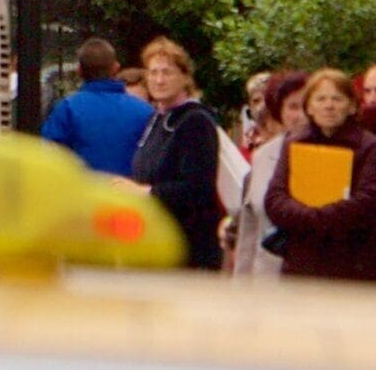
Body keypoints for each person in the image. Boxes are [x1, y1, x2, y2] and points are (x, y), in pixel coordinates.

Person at [260, 67, 376, 283]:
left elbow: (368, 203)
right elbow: (275, 199)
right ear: (310, 107)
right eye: (321, 99)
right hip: (301, 267)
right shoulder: (293, 144)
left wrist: (316, 217)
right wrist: (306, 215)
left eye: (337, 99)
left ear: (352, 106)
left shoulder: (371, 146)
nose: (329, 106)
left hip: (353, 267)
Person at [130, 37, 228, 271]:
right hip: (157, 240)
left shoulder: (195, 121)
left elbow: (199, 188)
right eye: (153, 73)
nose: (159, 80)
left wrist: (146, 192)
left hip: (188, 248)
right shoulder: (157, 118)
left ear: (185, 77)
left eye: (167, 72)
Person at [231, 72, 309, 277]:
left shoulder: (340, 153)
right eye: (292, 107)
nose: (301, 114)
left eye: (307, 105)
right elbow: (249, 230)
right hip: (267, 282)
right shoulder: (263, 156)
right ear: (279, 111)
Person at [44, 38, 157, 174]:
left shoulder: (67, 109)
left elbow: (49, 156)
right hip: (129, 192)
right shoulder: (145, 111)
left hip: (82, 191)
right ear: (116, 68)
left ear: (79, 71)